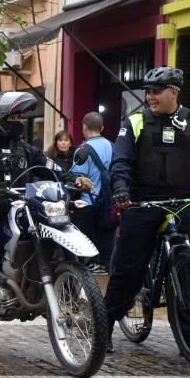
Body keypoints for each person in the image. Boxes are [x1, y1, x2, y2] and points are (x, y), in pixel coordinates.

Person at [0, 91, 92, 360]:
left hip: (20, 212)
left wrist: (76, 177)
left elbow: (51, 168)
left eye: (19, 116)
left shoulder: (26, 149)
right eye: (13, 116)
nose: (18, 121)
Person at [105, 66, 190, 352]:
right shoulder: (134, 121)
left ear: (174, 92)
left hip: (185, 203)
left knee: (187, 269)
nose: (149, 96)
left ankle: (189, 334)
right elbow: (121, 161)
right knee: (129, 270)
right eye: (147, 91)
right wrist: (121, 190)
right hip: (142, 203)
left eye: (156, 91)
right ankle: (105, 326)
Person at [70, 112, 115, 274]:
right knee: (108, 249)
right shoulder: (113, 146)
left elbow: (77, 181)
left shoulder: (82, 151)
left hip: (87, 204)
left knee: (81, 250)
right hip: (109, 204)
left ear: (84, 127)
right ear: (102, 128)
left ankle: (82, 289)